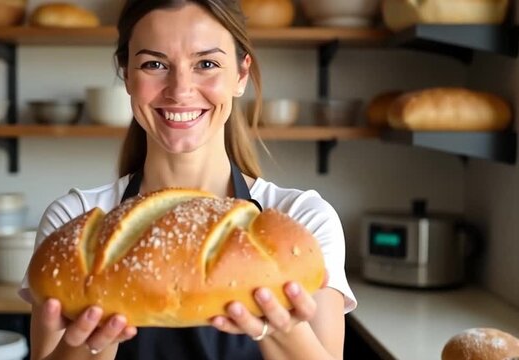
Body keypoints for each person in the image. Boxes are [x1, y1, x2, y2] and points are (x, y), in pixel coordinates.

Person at [19, 0, 357, 359]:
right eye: (154, 64)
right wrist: (89, 344)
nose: (180, 90)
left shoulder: (301, 221)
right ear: (127, 75)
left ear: (241, 76)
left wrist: (283, 332)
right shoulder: (76, 221)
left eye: (207, 64)